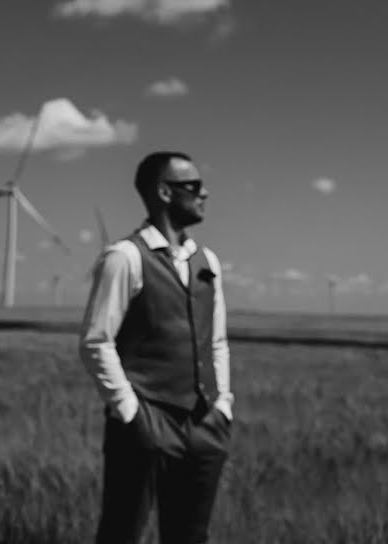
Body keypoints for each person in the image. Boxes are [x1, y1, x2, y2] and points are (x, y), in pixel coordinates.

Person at [78, 152, 234, 544]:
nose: (205, 193)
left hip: (204, 423)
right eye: (194, 187)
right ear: (164, 192)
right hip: (145, 422)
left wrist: (222, 404)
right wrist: (132, 413)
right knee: (122, 532)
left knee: (190, 536)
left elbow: (215, 341)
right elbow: (97, 340)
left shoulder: (208, 261)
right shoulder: (124, 257)